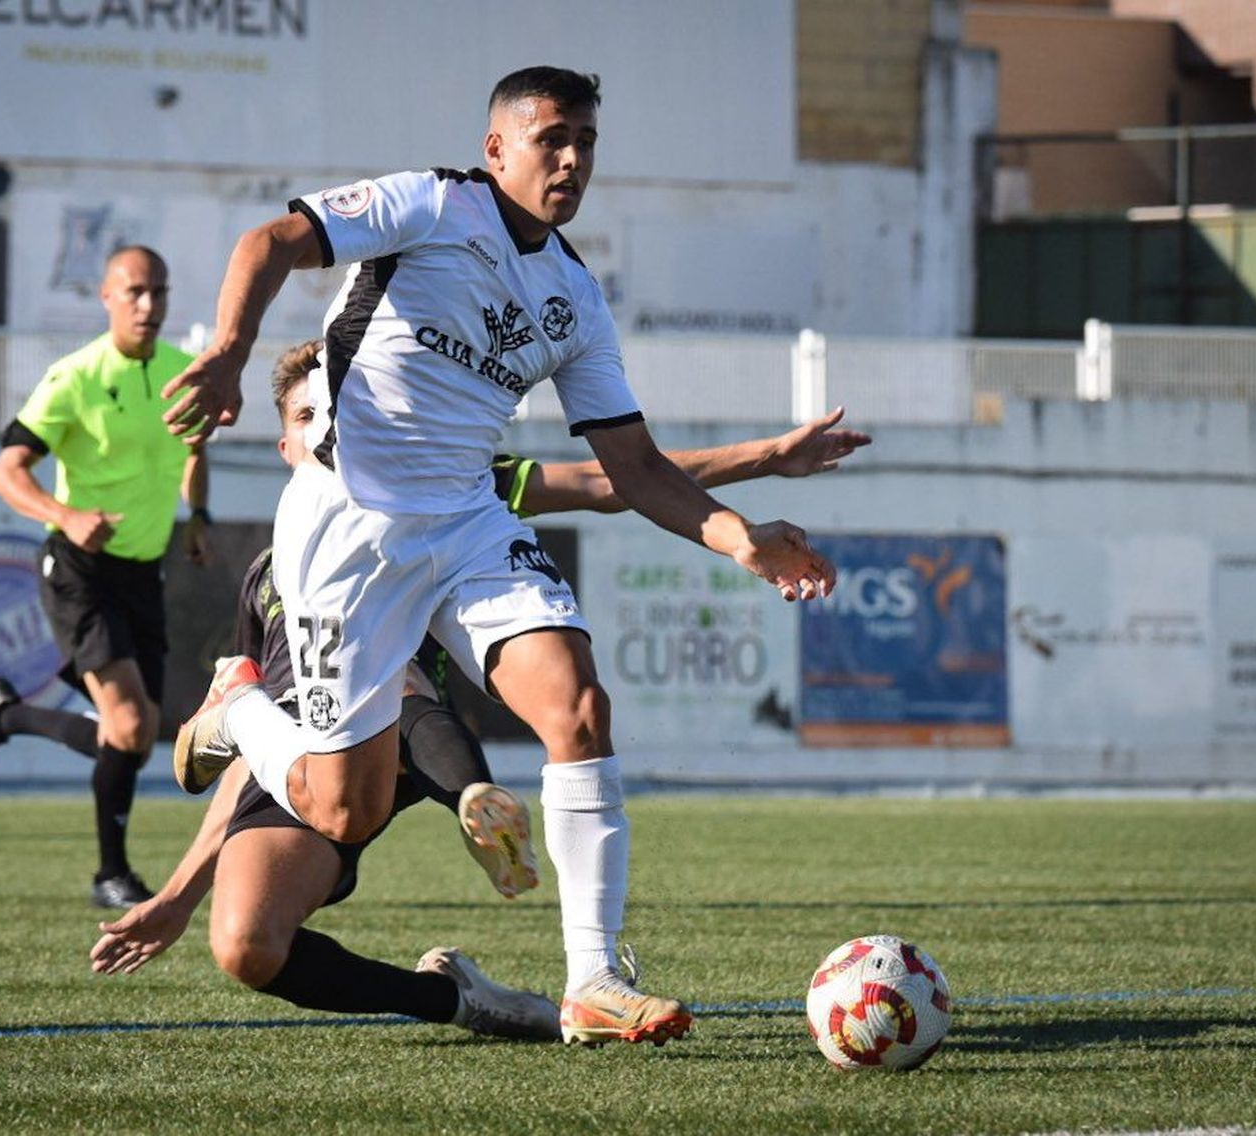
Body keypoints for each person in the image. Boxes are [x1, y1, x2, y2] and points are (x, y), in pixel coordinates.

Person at [158, 66, 838, 1046]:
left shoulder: (574, 295)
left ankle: (594, 978)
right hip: (348, 523)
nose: (571, 160)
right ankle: (241, 712)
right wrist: (228, 351)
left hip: (468, 520)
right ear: (497, 149)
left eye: (585, 142)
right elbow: (270, 241)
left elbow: (633, 466)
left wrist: (741, 538)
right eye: (551, 138)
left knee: (578, 706)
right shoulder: (434, 205)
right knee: (344, 812)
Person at [91, 341, 867, 1041]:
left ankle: (479, 805)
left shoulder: (444, 486)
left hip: (400, 733)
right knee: (246, 946)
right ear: (288, 443)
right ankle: (456, 998)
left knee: (412, 685)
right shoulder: (268, 576)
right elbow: (241, 765)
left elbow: (606, 478)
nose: (329, 423)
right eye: (307, 416)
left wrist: (769, 456)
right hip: (300, 762)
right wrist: (180, 896)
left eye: (339, 405)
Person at [0, 245, 211, 910]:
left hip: (143, 571)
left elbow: (194, 448)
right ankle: (110, 875)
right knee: (127, 726)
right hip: (80, 570)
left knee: (139, 731)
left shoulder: (182, 372)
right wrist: (65, 515)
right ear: (106, 298)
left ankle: (8, 714)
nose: (149, 305)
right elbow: (6, 472)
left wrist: (199, 515)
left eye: (159, 291)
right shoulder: (73, 377)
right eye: (135, 292)